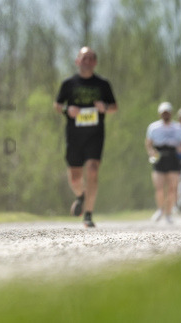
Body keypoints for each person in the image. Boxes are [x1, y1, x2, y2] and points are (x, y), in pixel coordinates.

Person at [55, 46, 118, 228]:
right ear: (77, 61)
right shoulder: (68, 84)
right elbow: (57, 105)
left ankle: (88, 214)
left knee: (92, 170)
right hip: (74, 135)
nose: (88, 61)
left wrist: (104, 108)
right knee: (75, 178)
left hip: (95, 135)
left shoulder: (103, 84)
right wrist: (68, 109)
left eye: (91, 58)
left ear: (95, 62)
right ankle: (81, 196)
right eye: (84, 58)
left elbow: (114, 106)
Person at [145, 102, 181, 223]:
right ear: (160, 114)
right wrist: (151, 152)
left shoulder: (178, 127)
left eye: (167, 113)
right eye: (163, 113)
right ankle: (160, 209)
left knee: (172, 187)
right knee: (159, 187)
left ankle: (168, 213)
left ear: (171, 113)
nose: (166, 115)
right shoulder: (153, 127)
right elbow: (148, 143)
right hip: (159, 156)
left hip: (173, 156)